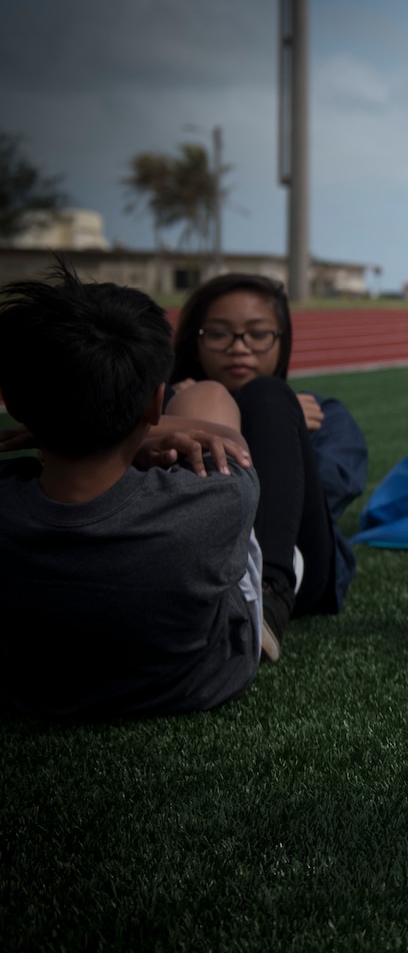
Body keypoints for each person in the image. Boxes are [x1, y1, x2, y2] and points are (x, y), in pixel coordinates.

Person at [0, 263, 263, 720]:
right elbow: (236, 448)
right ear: (156, 403)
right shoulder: (217, 501)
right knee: (209, 396)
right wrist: (144, 435)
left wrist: (52, 435)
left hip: (28, 697)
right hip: (192, 685)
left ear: (13, 404)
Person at [171, 274, 366, 656]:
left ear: (282, 340)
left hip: (300, 568)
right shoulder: (169, 405)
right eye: (218, 333)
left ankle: (266, 595)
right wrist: (181, 415)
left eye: (258, 334)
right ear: (195, 340)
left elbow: (330, 492)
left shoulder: (321, 413)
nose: (239, 348)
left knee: (267, 395)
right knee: (209, 399)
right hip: (190, 557)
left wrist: (279, 423)